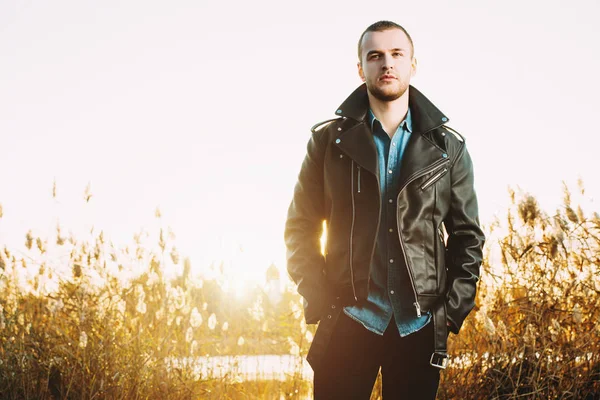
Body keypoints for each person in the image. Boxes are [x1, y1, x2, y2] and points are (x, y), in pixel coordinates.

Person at [284, 20, 485, 399]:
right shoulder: (327, 142)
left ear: (413, 64)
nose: (386, 64)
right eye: (374, 55)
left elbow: (468, 237)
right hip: (347, 321)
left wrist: (448, 313)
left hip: (418, 327)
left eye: (396, 54)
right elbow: (300, 226)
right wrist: (320, 297)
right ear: (361, 68)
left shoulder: (449, 148)